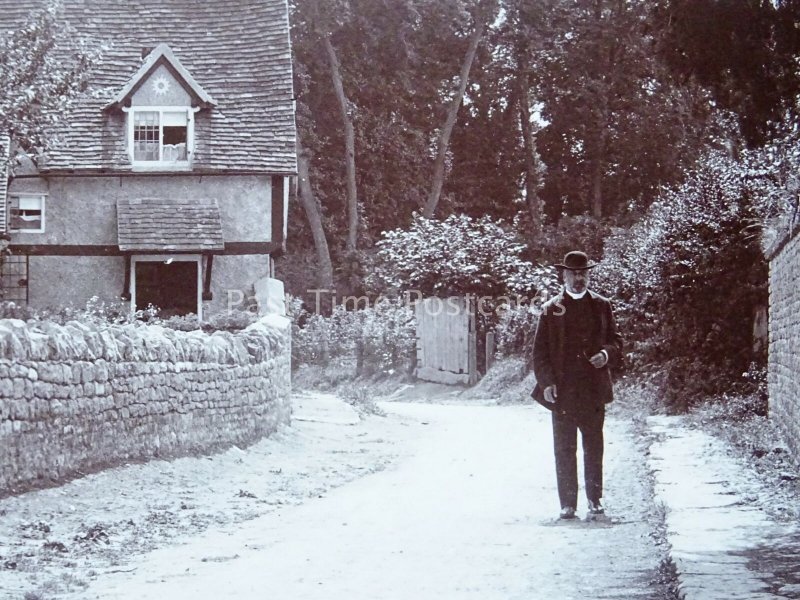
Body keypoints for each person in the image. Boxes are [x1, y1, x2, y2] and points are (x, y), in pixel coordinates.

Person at [531, 250, 623, 520]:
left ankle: (595, 500)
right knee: (564, 448)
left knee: (594, 446)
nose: (578, 278)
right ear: (564, 275)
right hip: (562, 392)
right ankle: (567, 504)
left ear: (588, 275)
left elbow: (617, 341)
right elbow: (540, 353)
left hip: (593, 390)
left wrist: (605, 354)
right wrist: (546, 382)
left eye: (583, 273)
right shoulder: (551, 309)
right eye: (573, 273)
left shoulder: (602, 305)